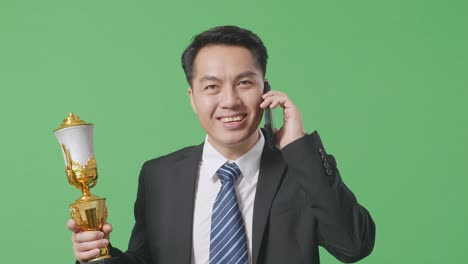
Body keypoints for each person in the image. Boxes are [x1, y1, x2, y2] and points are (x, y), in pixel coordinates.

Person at [67, 25, 376, 264]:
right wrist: (99, 255)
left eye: (244, 83)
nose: (229, 101)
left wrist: (298, 148)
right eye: (212, 86)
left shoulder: (300, 170)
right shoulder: (158, 176)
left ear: (264, 90)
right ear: (192, 98)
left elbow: (354, 246)